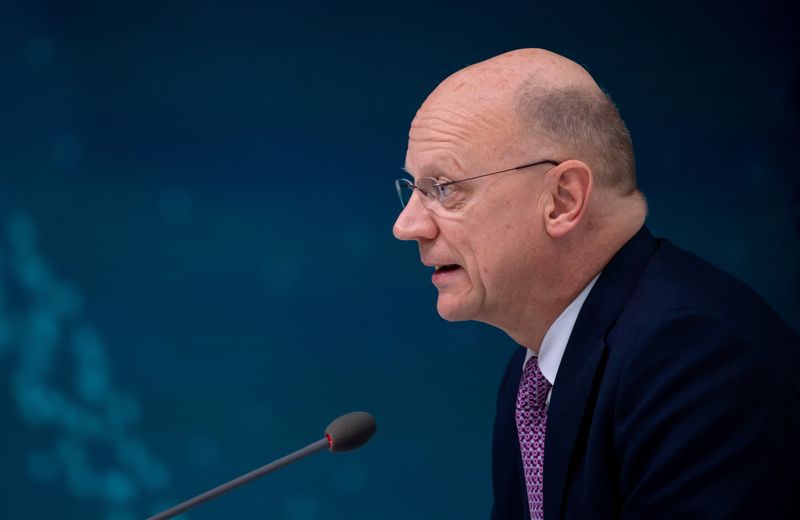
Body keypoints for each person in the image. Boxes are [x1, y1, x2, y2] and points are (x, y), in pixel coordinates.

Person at [392, 48, 800, 519]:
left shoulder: (695, 358)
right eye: (413, 189)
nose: (407, 225)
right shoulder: (534, 376)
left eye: (444, 189)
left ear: (563, 199)